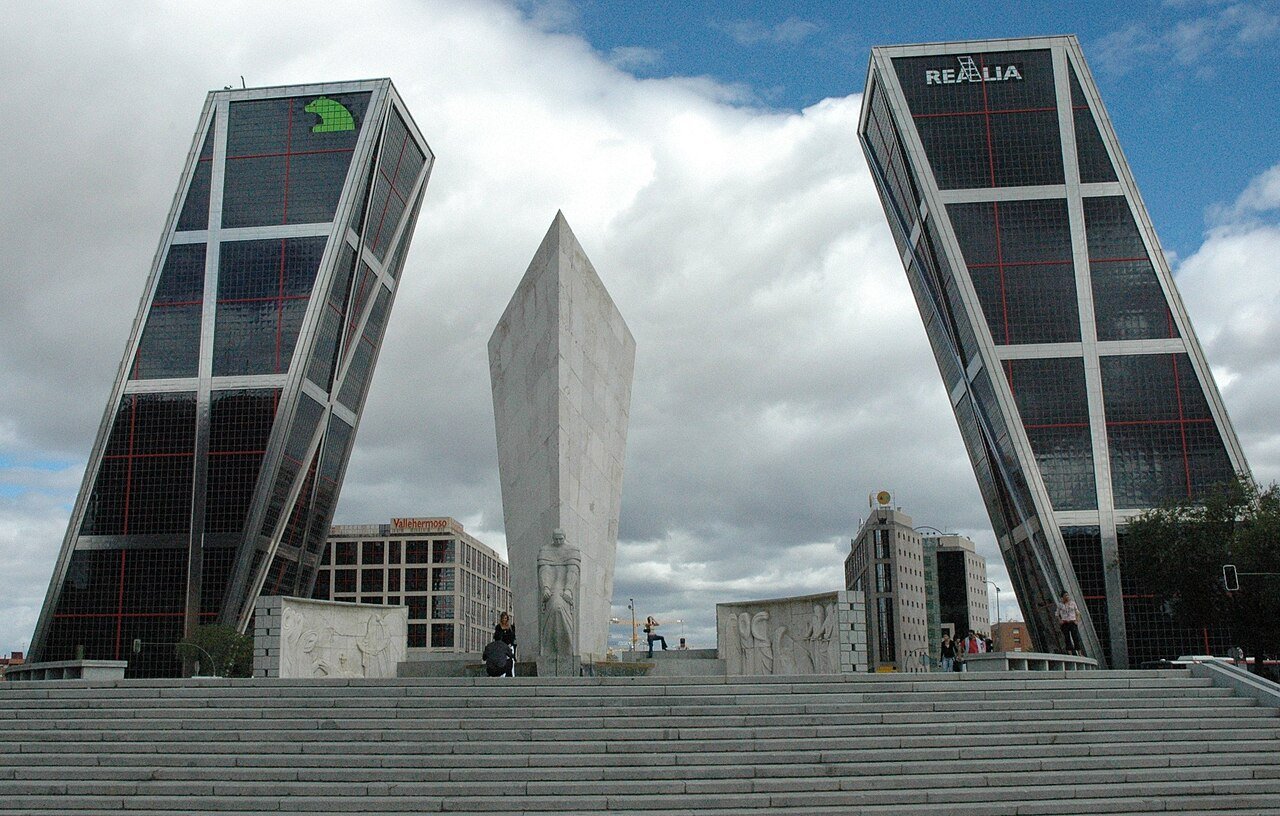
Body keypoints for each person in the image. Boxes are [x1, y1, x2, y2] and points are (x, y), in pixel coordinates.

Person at [493, 612, 517, 677]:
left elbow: (513, 637)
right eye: (503, 618)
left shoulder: (511, 627)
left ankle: (512, 675)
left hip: (509, 646)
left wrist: (511, 644)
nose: (504, 620)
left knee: (511, 661)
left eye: (505, 618)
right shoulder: (498, 627)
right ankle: (502, 674)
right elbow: (496, 637)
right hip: (501, 647)